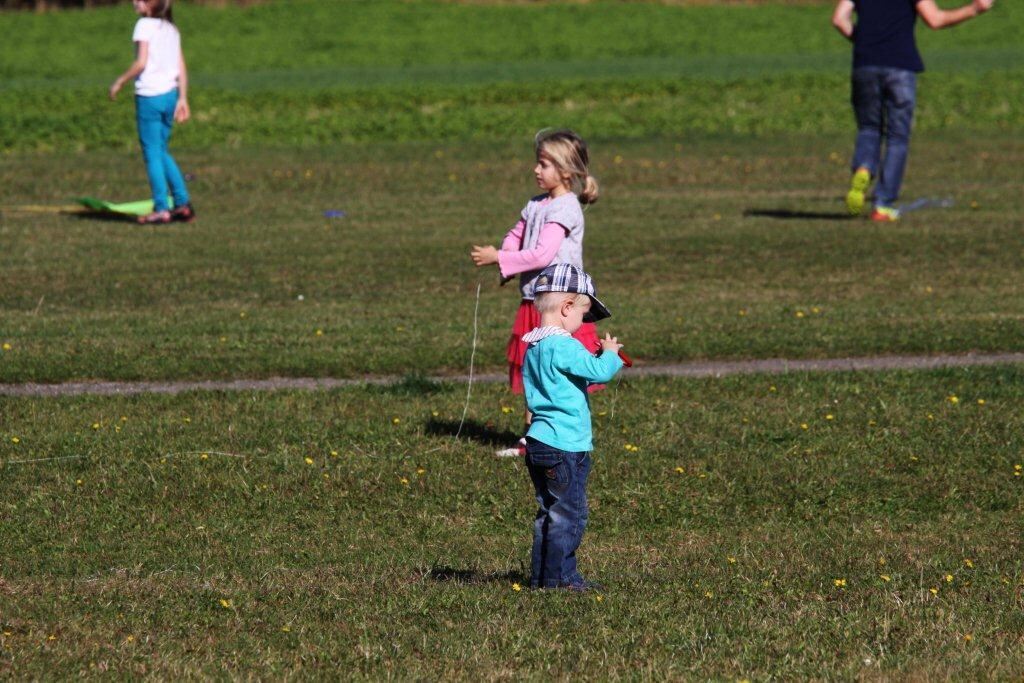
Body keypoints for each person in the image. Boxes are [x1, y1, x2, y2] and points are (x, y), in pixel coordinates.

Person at [470, 130, 601, 457]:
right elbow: (517, 235)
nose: (536, 170)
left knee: (562, 375)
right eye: (537, 163)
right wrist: (508, 263)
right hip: (535, 303)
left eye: (545, 164)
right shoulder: (535, 205)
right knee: (535, 372)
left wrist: (498, 257)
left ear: (567, 172)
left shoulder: (565, 209)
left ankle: (569, 435)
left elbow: (543, 254)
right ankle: (533, 440)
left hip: (560, 308)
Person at [833, 0, 995, 222]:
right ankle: (882, 205)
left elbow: (839, 20)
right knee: (897, 137)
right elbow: (935, 20)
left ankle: (863, 168)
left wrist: (862, 41)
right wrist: (975, 9)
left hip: (865, 65)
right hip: (900, 66)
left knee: (869, 128)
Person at [519, 264, 623, 591]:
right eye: (583, 314)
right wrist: (610, 354)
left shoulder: (535, 346)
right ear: (566, 308)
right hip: (565, 446)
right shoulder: (564, 345)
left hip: (538, 442)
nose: (583, 324)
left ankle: (542, 577)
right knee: (570, 515)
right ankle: (560, 580)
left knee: (549, 514)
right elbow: (598, 373)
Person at [110, 0, 196, 225]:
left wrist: (119, 81)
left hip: (150, 96)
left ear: (150, 6)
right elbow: (181, 66)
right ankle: (182, 204)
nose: (134, 2)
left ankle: (161, 208)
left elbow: (141, 63)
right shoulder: (171, 29)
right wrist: (183, 98)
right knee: (161, 150)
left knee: (152, 153)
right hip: (170, 96)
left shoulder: (144, 25)